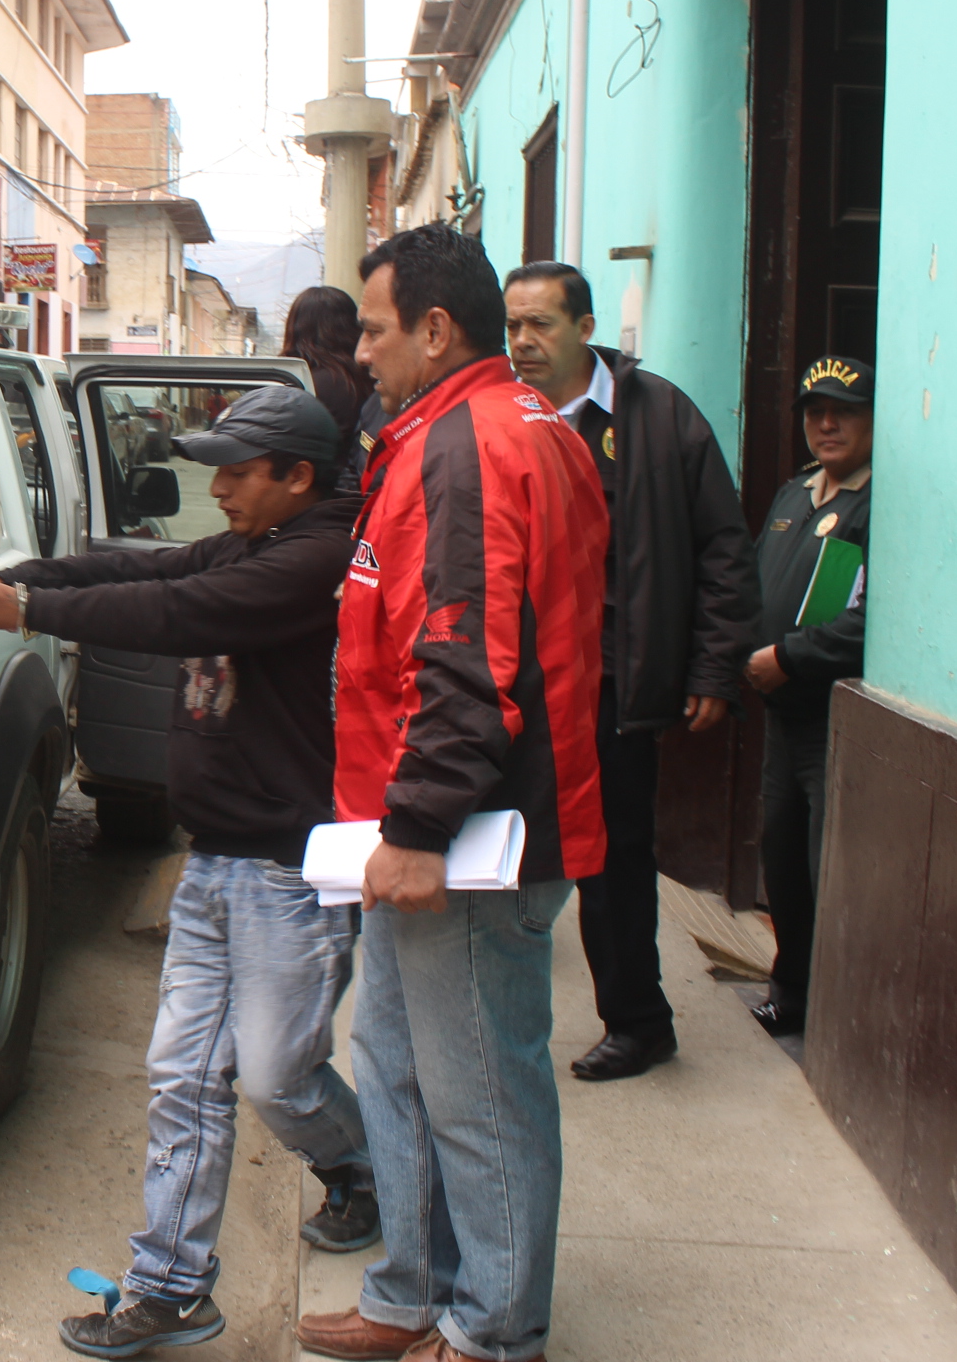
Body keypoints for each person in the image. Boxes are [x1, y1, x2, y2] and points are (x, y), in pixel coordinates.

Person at [0, 389, 370, 1359]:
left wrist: (28, 607)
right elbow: (138, 566)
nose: (219, 489)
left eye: (239, 473)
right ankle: (169, 1288)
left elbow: (176, 608)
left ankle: (360, 1164)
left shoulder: (316, 558)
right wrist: (10, 576)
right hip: (212, 864)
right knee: (183, 1079)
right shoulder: (249, 541)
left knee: (281, 1078)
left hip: (292, 872)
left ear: (299, 478)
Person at [299, 224, 606, 1362]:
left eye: (375, 331)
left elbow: (469, 657)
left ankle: (492, 1331)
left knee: (479, 1091)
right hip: (418, 829)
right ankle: (409, 1291)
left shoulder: (472, 444)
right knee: (393, 1060)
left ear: (435, 330)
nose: (362, 354)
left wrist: (421, 829)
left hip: (468, 843)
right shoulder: (468, 430)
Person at [503, 262, 759, 1082]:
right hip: (520, 679)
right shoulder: (508, 417)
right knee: (506, 847)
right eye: (513, 326)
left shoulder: (660, 417)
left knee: (614, 856)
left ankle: (638, 1021)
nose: (523, 342)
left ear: (585, 327)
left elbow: (724, 546)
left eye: (540, 324)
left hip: (614, 682)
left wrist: (715, 670)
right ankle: (498, 1017)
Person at [743, 356, 873, 1037]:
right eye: (815, 411)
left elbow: (870, 618)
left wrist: (788, 657)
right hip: (780, 718)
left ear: (873, 421)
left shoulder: (876, 504)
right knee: (783, 859)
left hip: (831, 720)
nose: (826, 424)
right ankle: (790, 992)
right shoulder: (797, 494)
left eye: (844, 412)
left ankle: (835, 1010)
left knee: (828, 867)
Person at [284, 284, 373, 490]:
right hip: (360, 491)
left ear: (296, 328)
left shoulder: (303, 385)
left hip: (317, 494)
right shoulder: (371, 378)